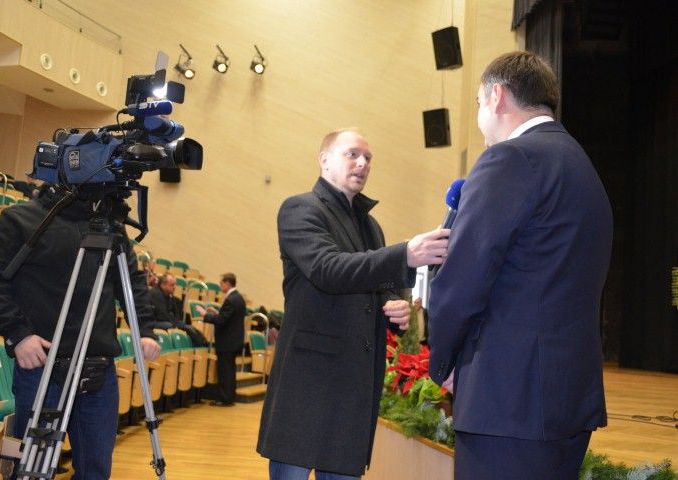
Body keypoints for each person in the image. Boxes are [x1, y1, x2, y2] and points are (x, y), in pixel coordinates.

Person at [427, 51, 613, 480]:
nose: (480, 118)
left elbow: (461, 281)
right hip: (567, 397)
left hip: (507, 400)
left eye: (478, 103)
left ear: (497, 96)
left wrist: (445, 362)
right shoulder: (581, 165)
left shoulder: (510, 159)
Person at [257, 128, 450, 479]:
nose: (362, 163)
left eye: (368, 158)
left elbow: (377, 287)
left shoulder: (370, 226)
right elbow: (327, 269)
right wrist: (405, 254)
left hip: (352, 388)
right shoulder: (300, 208)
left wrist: (394, 308)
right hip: (308, 384)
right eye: (352, 154)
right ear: (324, 160)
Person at [0, 184, 161, 480]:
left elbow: (131, 282)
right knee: (33, 470)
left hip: (98, 369)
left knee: (96, 471)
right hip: (42, 366)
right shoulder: (20, 219)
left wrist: (145, 328)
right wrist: (17, 334)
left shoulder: (109, 226)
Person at [196, 272, 246, 406]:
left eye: (221, 283)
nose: (220, 286)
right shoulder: (239, 298)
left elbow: (222, 321)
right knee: (230, 371)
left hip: (227, 342)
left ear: (227, 283)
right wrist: (217, 313)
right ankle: (229, 397)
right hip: (234, 341)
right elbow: (228, 318)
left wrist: (205, 314)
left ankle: (224, 399)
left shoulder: (231, 299)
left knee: (225, 372)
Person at [150, 273, 207, 347]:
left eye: (175, 285)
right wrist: (176, 324)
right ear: (163, 285)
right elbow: (162, 315)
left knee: (188, 327)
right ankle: (200, 345)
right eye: (172, 285)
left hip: (167, 320)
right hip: (154, 321)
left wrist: (177, 322)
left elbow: (176, 313)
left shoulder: (169, 295)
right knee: (171, 325)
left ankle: (202, 343)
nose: (175, 287)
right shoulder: (155, 294)